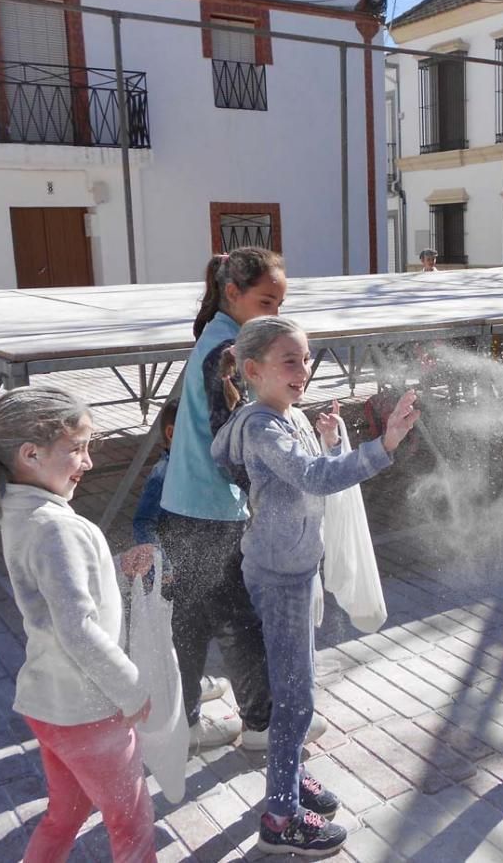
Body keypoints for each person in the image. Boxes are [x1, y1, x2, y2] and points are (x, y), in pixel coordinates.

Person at [211, 316, 420, 858]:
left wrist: (328, 443)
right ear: (253, 370)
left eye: (306, 359)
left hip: (294, 567)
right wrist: (384, 444)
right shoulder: (262, 427)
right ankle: (280, 816)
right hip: (280, 576)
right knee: (296, 697)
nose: (303, 370)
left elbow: (312, 475)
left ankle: (291, 771)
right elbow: (313, 479)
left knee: (297, 684)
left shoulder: (290, 416)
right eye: (290, 361)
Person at [0, 386, 157, 863]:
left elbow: (61, 593)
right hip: (90, 710)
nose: (88, 462)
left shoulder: (25, 513)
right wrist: (134, 689)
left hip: (49, 705)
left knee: (66, 813)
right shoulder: (55, 527)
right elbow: (77, 628)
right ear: (30, 454)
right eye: (77, 448)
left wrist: (112, 563)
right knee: (131, 822)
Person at [154, 247, 319, 752]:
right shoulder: (227, 351)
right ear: (233, 293)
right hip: (213, 507)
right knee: (236, 618)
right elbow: (231, 439)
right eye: (267, 301)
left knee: (192, 615)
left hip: (188, 500)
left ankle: (186, 714)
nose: (276, 313)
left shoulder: (222, 336)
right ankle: (261, 725)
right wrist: (270, 487)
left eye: (281, 302)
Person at [124, 397, 229, 703]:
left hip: (193, 568)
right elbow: (143, 521)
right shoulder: (165, 473)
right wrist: (163, 562)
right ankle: (182, 698)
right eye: (202, 430)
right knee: (182, 636)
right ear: (172, 433)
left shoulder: (192, 468)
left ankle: (188, 685)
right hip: (173, 573)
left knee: (195, 632)